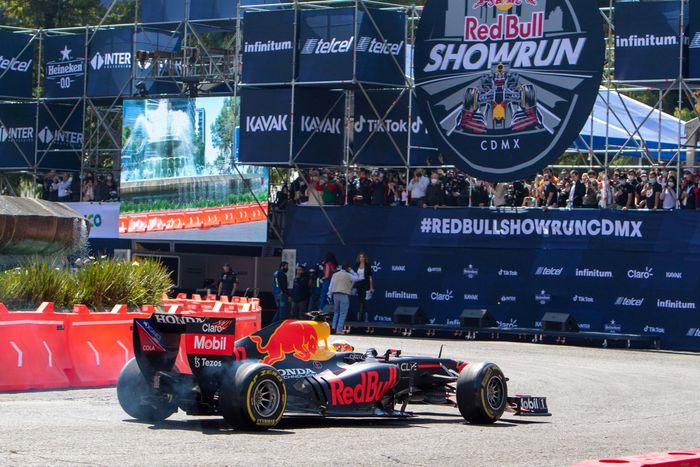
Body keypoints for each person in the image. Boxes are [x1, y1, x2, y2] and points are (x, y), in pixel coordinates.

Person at [328, 264, 355, 333]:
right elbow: (357, 278)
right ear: (348, 268)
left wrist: (330, 295)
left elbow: (330, 287)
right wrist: (352, 271)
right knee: (343, 313)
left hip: (335, 294)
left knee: (336, 313)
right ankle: (339, 330)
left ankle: (333, 327)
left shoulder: (335, 275)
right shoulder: (349, 275)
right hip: (344, 294)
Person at [353, 252, 374, 322]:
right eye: (360, 257)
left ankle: (364, 316)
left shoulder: (368, 265)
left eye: (362, 257)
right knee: (359, 299)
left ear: (365, 258)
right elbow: (354, 275)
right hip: (358, 283)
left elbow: (370, 277)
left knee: (364, 299)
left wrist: (371, 287)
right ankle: (360, 315)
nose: (361, 258)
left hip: (365, 283)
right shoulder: (356, 265)